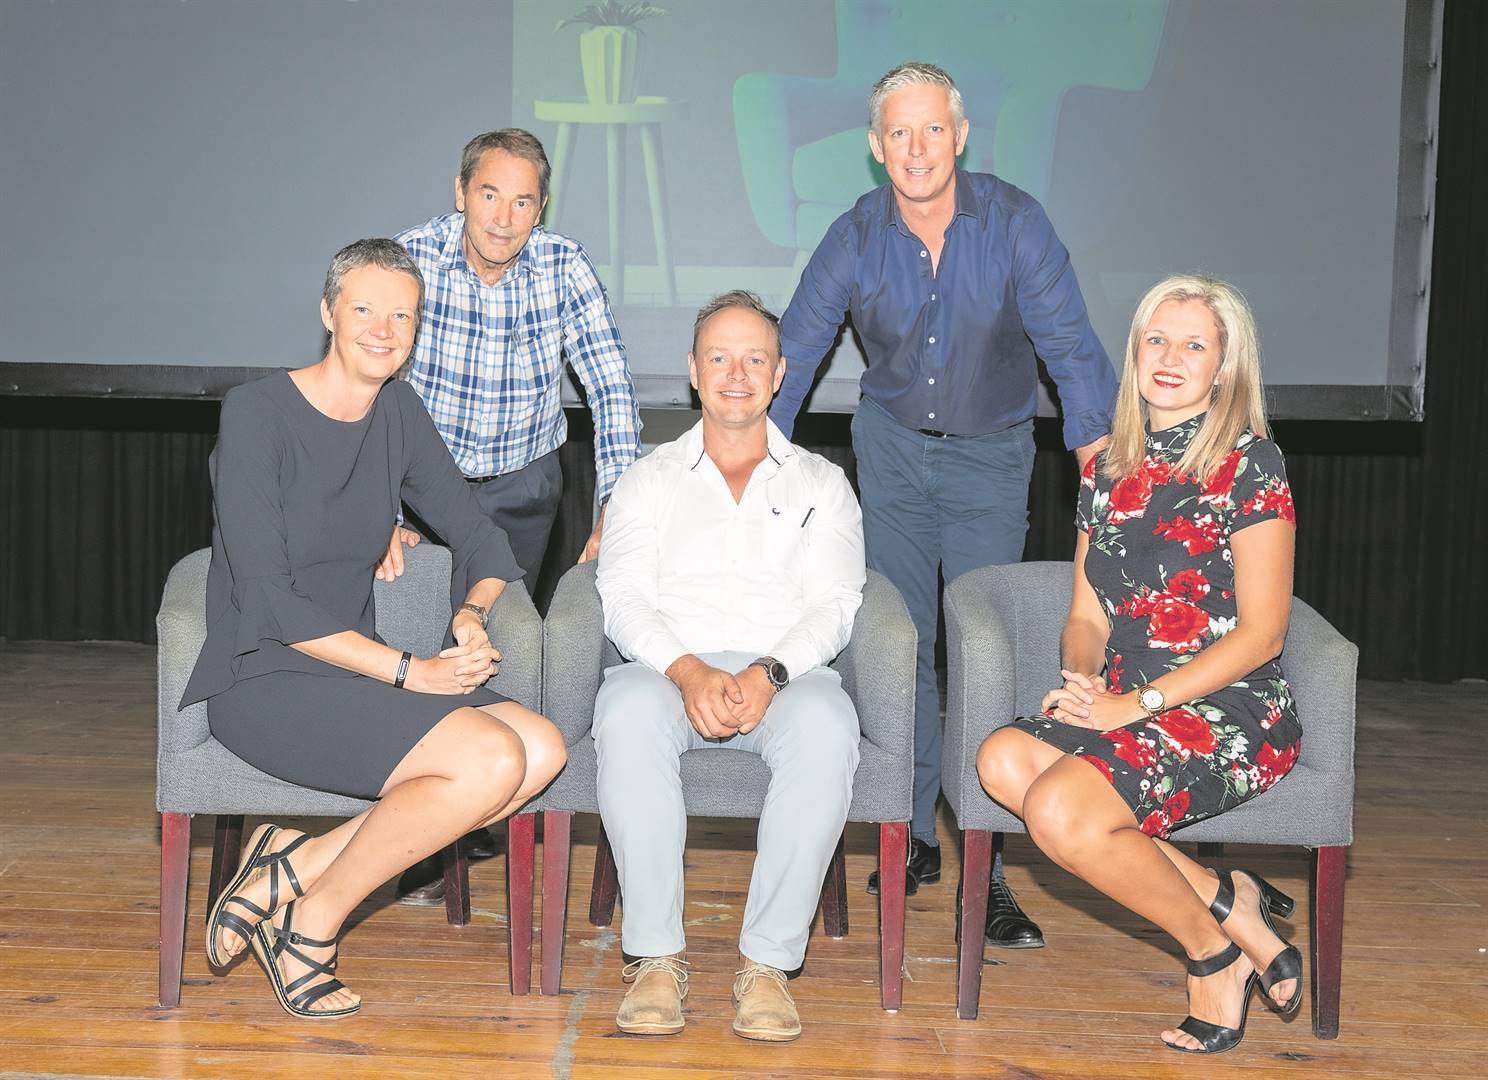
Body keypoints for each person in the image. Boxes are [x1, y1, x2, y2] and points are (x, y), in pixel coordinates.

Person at [771, 62, 1119, 947]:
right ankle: (911, 829)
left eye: (933, 130)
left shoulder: (1014, 223)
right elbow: (792, 354)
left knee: (979, 654)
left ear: (960, 137)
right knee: (899, 646)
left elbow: (1072, 349)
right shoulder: (855, 235)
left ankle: (986, 869)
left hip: (990, 462)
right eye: (900, 132)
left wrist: (1102, 464)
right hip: (889, 456)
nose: (917, 149)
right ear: (875, 145)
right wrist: (746, 464)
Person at [181, 239, 566, 1018]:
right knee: (493, 759)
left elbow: (480, 536)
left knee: (543, 750)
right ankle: (311, 925)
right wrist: (410, 671)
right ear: (328, 313)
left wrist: (469, 614)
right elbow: (270, 601)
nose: (384, 330)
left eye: (403, 316)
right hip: (264, 675)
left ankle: (295, 862)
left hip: (349, 672)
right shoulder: (256, 413)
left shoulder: (397, 411)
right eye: (364, 309)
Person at [976, 275, 1303, 1054]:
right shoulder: (1106, 470)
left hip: (1230, 708)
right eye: (1157, 339)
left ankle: (1212, 954)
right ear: (1134, 353)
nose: (1170, 357)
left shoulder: (1251, 465)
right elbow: (1087, 616)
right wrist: (1083, 678)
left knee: (1061, 810)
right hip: (1126, 700)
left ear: (1224, 366)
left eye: (1194, 344)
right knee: (1001, 759)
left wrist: (1136, 705)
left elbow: (1263, 636)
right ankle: (1229, 902)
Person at [593, 291, 865, 1042]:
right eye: (719, 357)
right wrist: (685, 671)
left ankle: (768, 966)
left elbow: (837, 604)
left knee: (829, 726)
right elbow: (621, 599)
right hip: (666, 670)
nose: (736, 374)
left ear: (779, 374)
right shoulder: (647, 478)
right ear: (692, 370)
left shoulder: (822, 483)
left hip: (787, 677)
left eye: (754, 359)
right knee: (624, 711)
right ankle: (654, 959)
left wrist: (768, 673)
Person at [386, 128, 643, 901]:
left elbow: (611, 386)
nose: (503, 217)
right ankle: (420, 825)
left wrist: (615, 505)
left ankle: (474, 804)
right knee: (418, 645)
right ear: (460, 193)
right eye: (489, 195)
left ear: (542, 207)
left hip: (522, 487)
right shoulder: (410, 259)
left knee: (492, 647)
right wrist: (376, 506)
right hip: (421, 488)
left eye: (523, 201)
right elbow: (366, 386)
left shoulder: (564, 266)